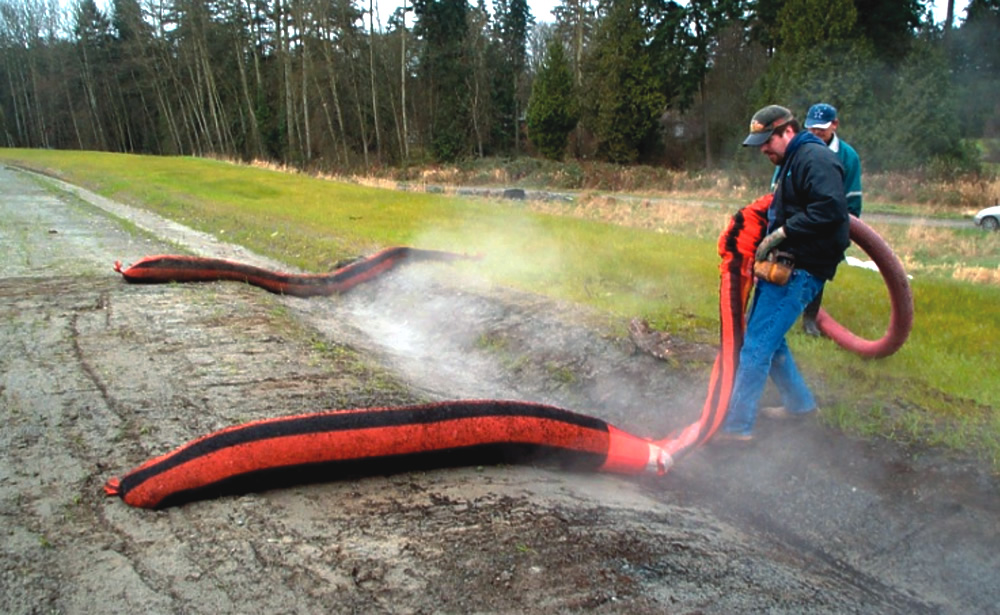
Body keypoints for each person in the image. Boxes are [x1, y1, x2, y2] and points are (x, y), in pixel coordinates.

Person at [716, 105, 850, 441]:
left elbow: (832, 210)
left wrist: (783, 233)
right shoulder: (795, 159)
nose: (762, 149)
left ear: (787, 131)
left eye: (766, 141)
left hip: (801, 269)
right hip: (785, 265)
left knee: (756, 348)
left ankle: (736, 429)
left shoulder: (813, 159)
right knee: (770, 343)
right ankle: (800, 405)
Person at [799, 103, 863, 336]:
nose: (816, 132)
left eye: (822, 128)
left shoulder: (848, 157)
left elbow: (852, 199)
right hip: (797, 220)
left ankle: (810, 319)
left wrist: (844, 230)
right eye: (812, 128)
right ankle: (772, 312)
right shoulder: (798, 149)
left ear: (834, 125)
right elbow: (778, 186)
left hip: (828, 225)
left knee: (818, 270)